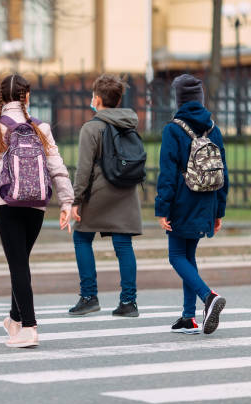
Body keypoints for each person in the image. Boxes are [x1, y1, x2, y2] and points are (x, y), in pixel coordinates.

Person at [0, 74, 74, 348]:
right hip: (37, 204)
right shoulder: (42, 128)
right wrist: (66, 202)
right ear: (27, 97)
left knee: (18, 264)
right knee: (21, 262)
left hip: (8, 203)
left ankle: (29, 326)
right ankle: (15, 319)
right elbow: (57, 167)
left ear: (0, 98)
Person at [155, 74, 229, 335]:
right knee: (188, 256)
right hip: (207, 201)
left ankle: (208, 297)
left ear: (178, 100)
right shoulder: (213, 129)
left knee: (176, 256)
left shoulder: (173, 129)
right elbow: (223, 173)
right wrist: (219, 211)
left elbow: (167, 174)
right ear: (200, 98)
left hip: (181, 203)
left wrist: (162, 208)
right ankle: (188, 318)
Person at [67, 74, 143, 318]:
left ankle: (89, 296)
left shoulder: (91, 128)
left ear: (97, 99)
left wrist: (75, 200)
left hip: (99, 193)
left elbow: (84, 170)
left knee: (81, 238)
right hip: (127, 193)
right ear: (119, 99)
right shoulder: (129, 123)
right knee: (123, 245)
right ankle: (129, 302)